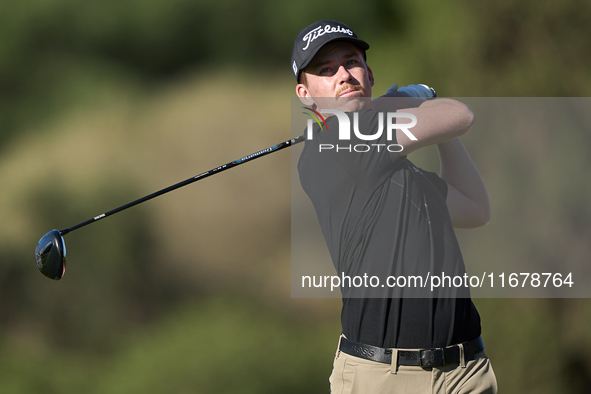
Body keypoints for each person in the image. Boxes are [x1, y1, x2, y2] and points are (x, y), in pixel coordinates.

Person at [291, 21, 498, 393]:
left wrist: (424, 113)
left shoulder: (394, 172)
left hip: (465, 372)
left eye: (351, 62)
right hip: (384, 377)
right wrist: (413, 97)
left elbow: (475, 209)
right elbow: (461, 114)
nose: (343, 75)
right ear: (306, 95)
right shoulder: (337, 141)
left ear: (368, 74)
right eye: (325, 69)